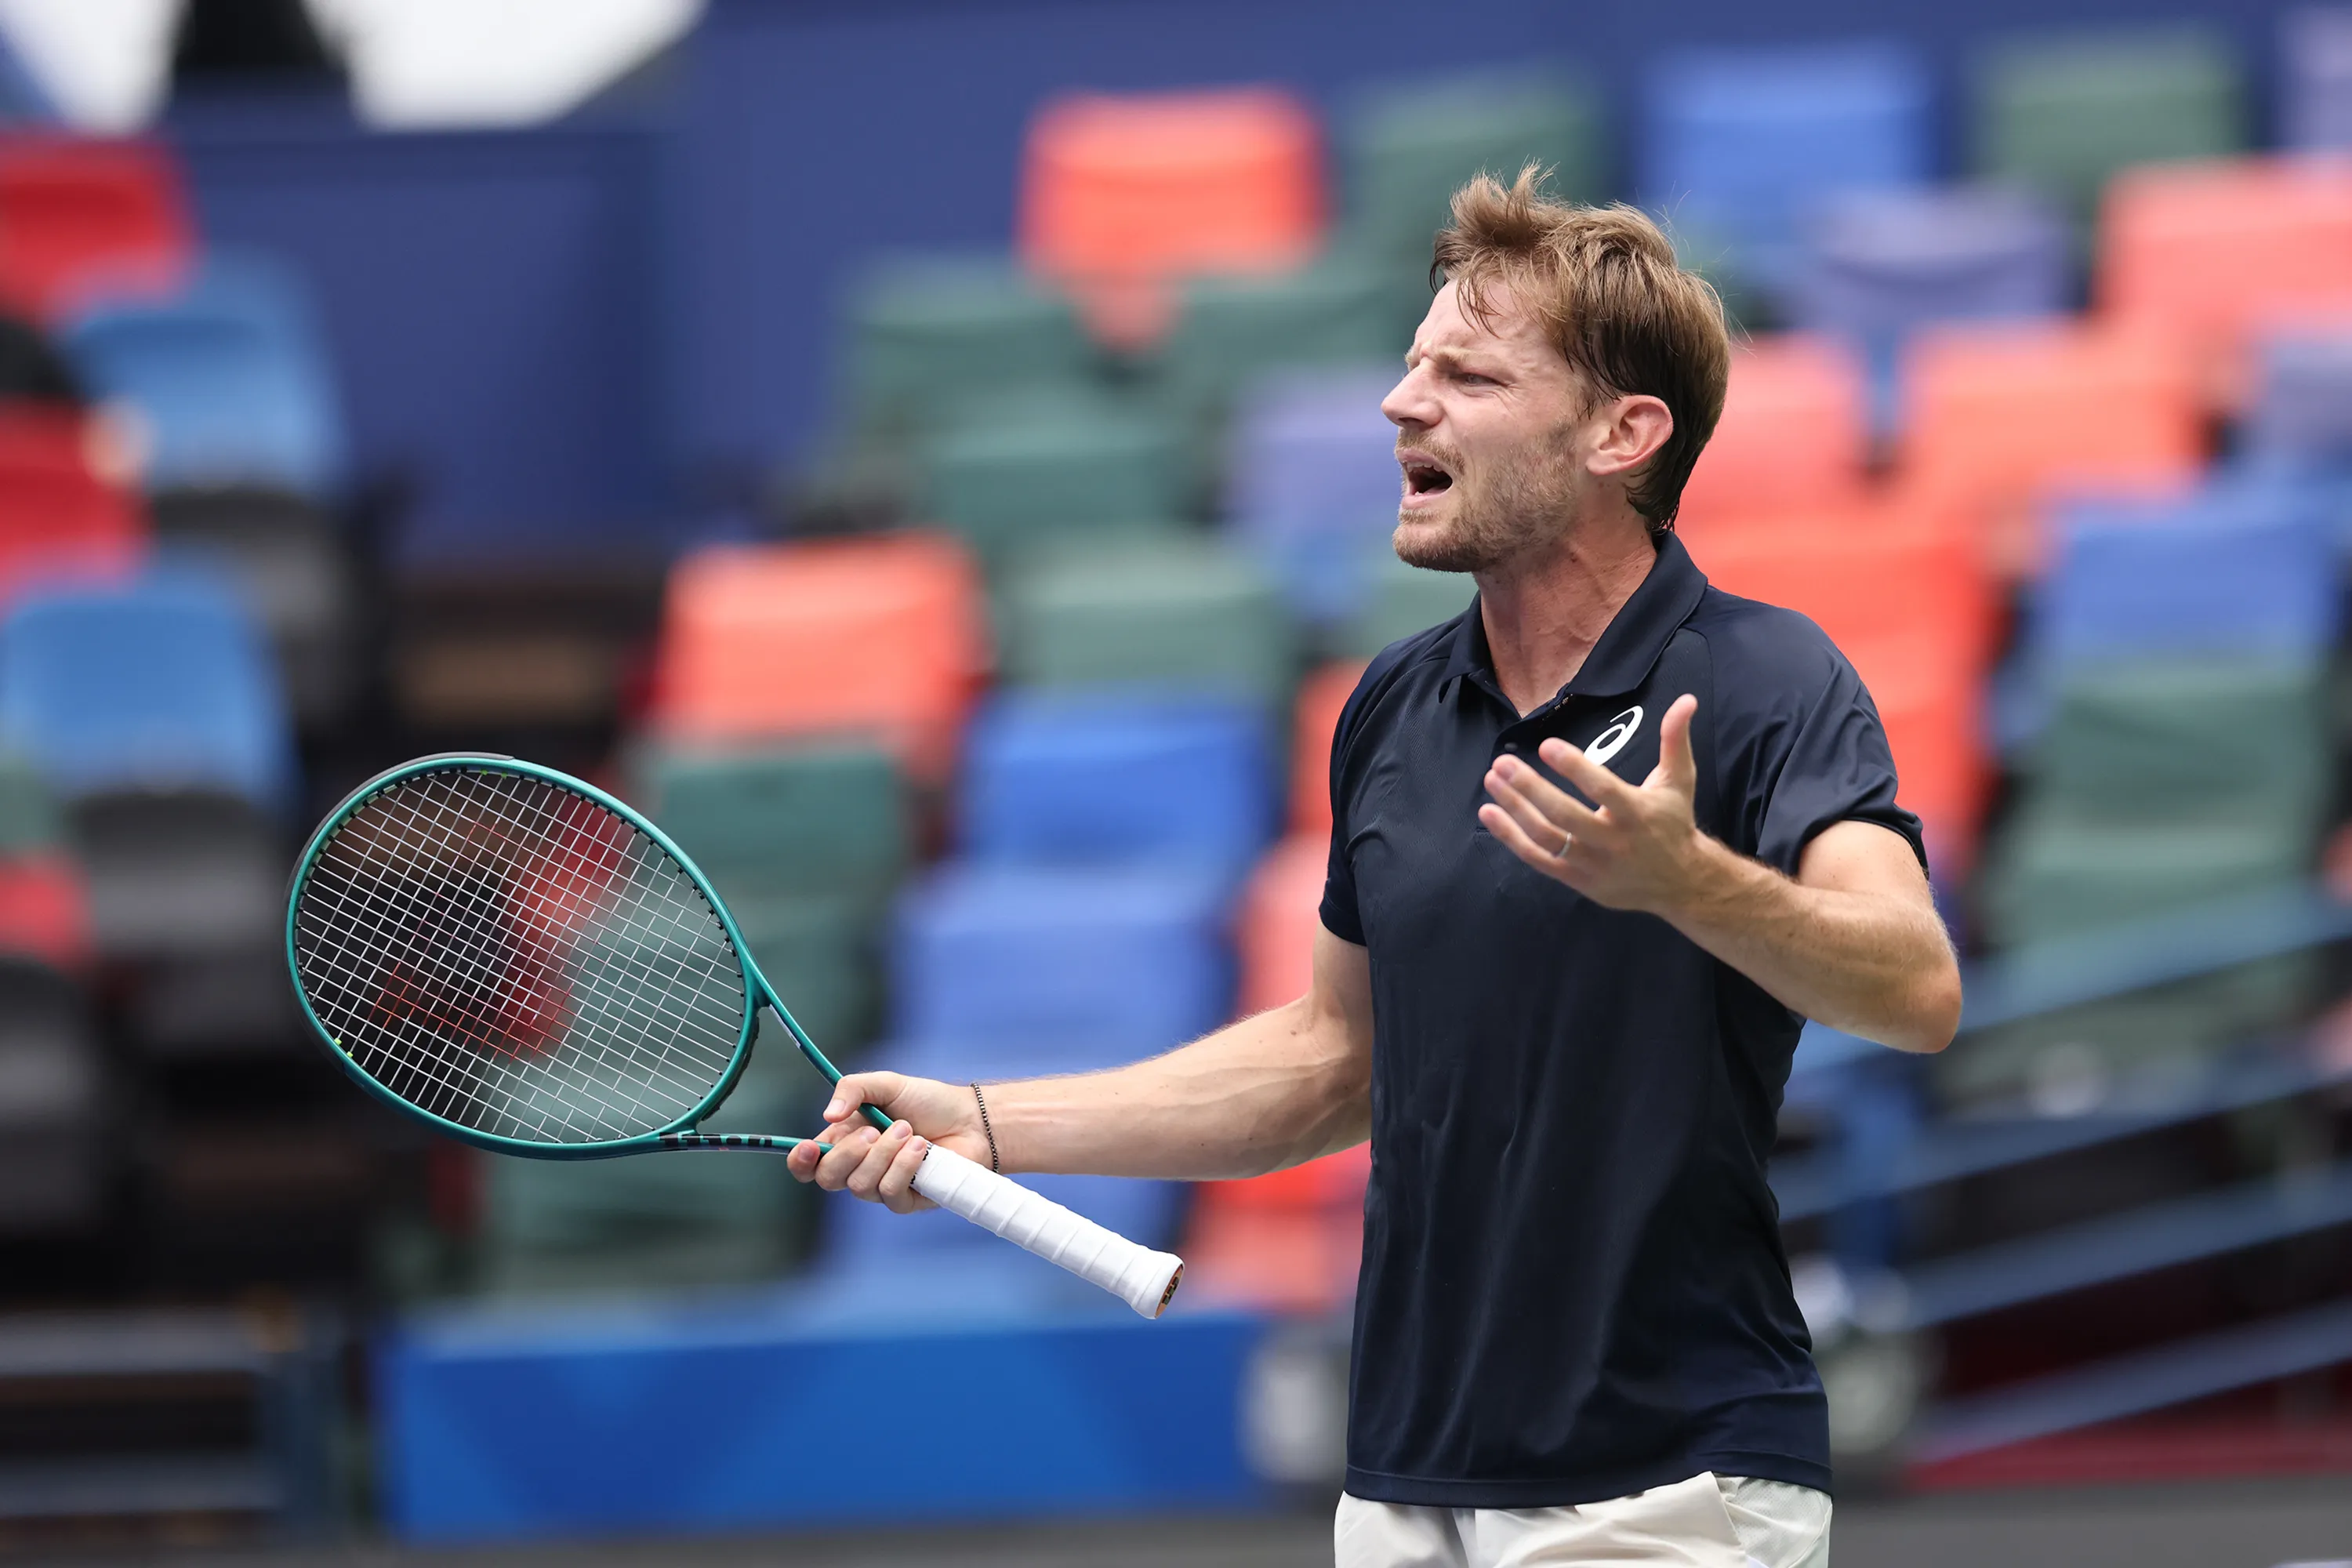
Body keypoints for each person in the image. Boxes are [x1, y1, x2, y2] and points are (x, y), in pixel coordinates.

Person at [787, 168, 1962, 1568]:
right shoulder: (1392, 712)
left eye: (1466, 375)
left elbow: (1918, 989)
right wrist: (993, 1122)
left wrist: (1689, 881)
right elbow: (1337, 1062)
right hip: (1404, 1482)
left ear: (1620, 432)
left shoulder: (1770, 680)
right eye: (1411, 369)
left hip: (1671, 1483)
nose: (1404, 406)